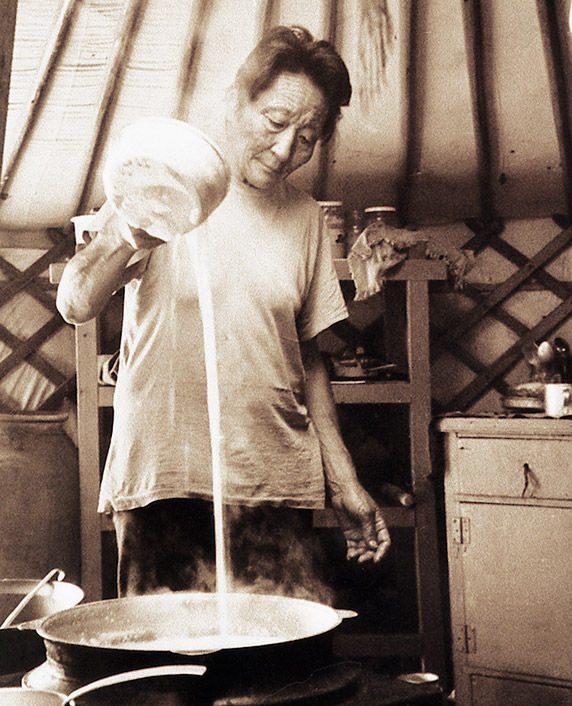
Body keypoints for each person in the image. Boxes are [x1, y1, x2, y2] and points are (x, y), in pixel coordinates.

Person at [57, 25, 390, 604]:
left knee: (278, 672)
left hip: (278, 486)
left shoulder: (307, 218)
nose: (287, 148)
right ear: (237, 102)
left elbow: (307, 359)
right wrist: (130, 230)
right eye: (276, 122)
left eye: (308, 136)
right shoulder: (165, 185)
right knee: (168, 675)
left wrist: (345, 480)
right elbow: (75, 302)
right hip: (168, 481)